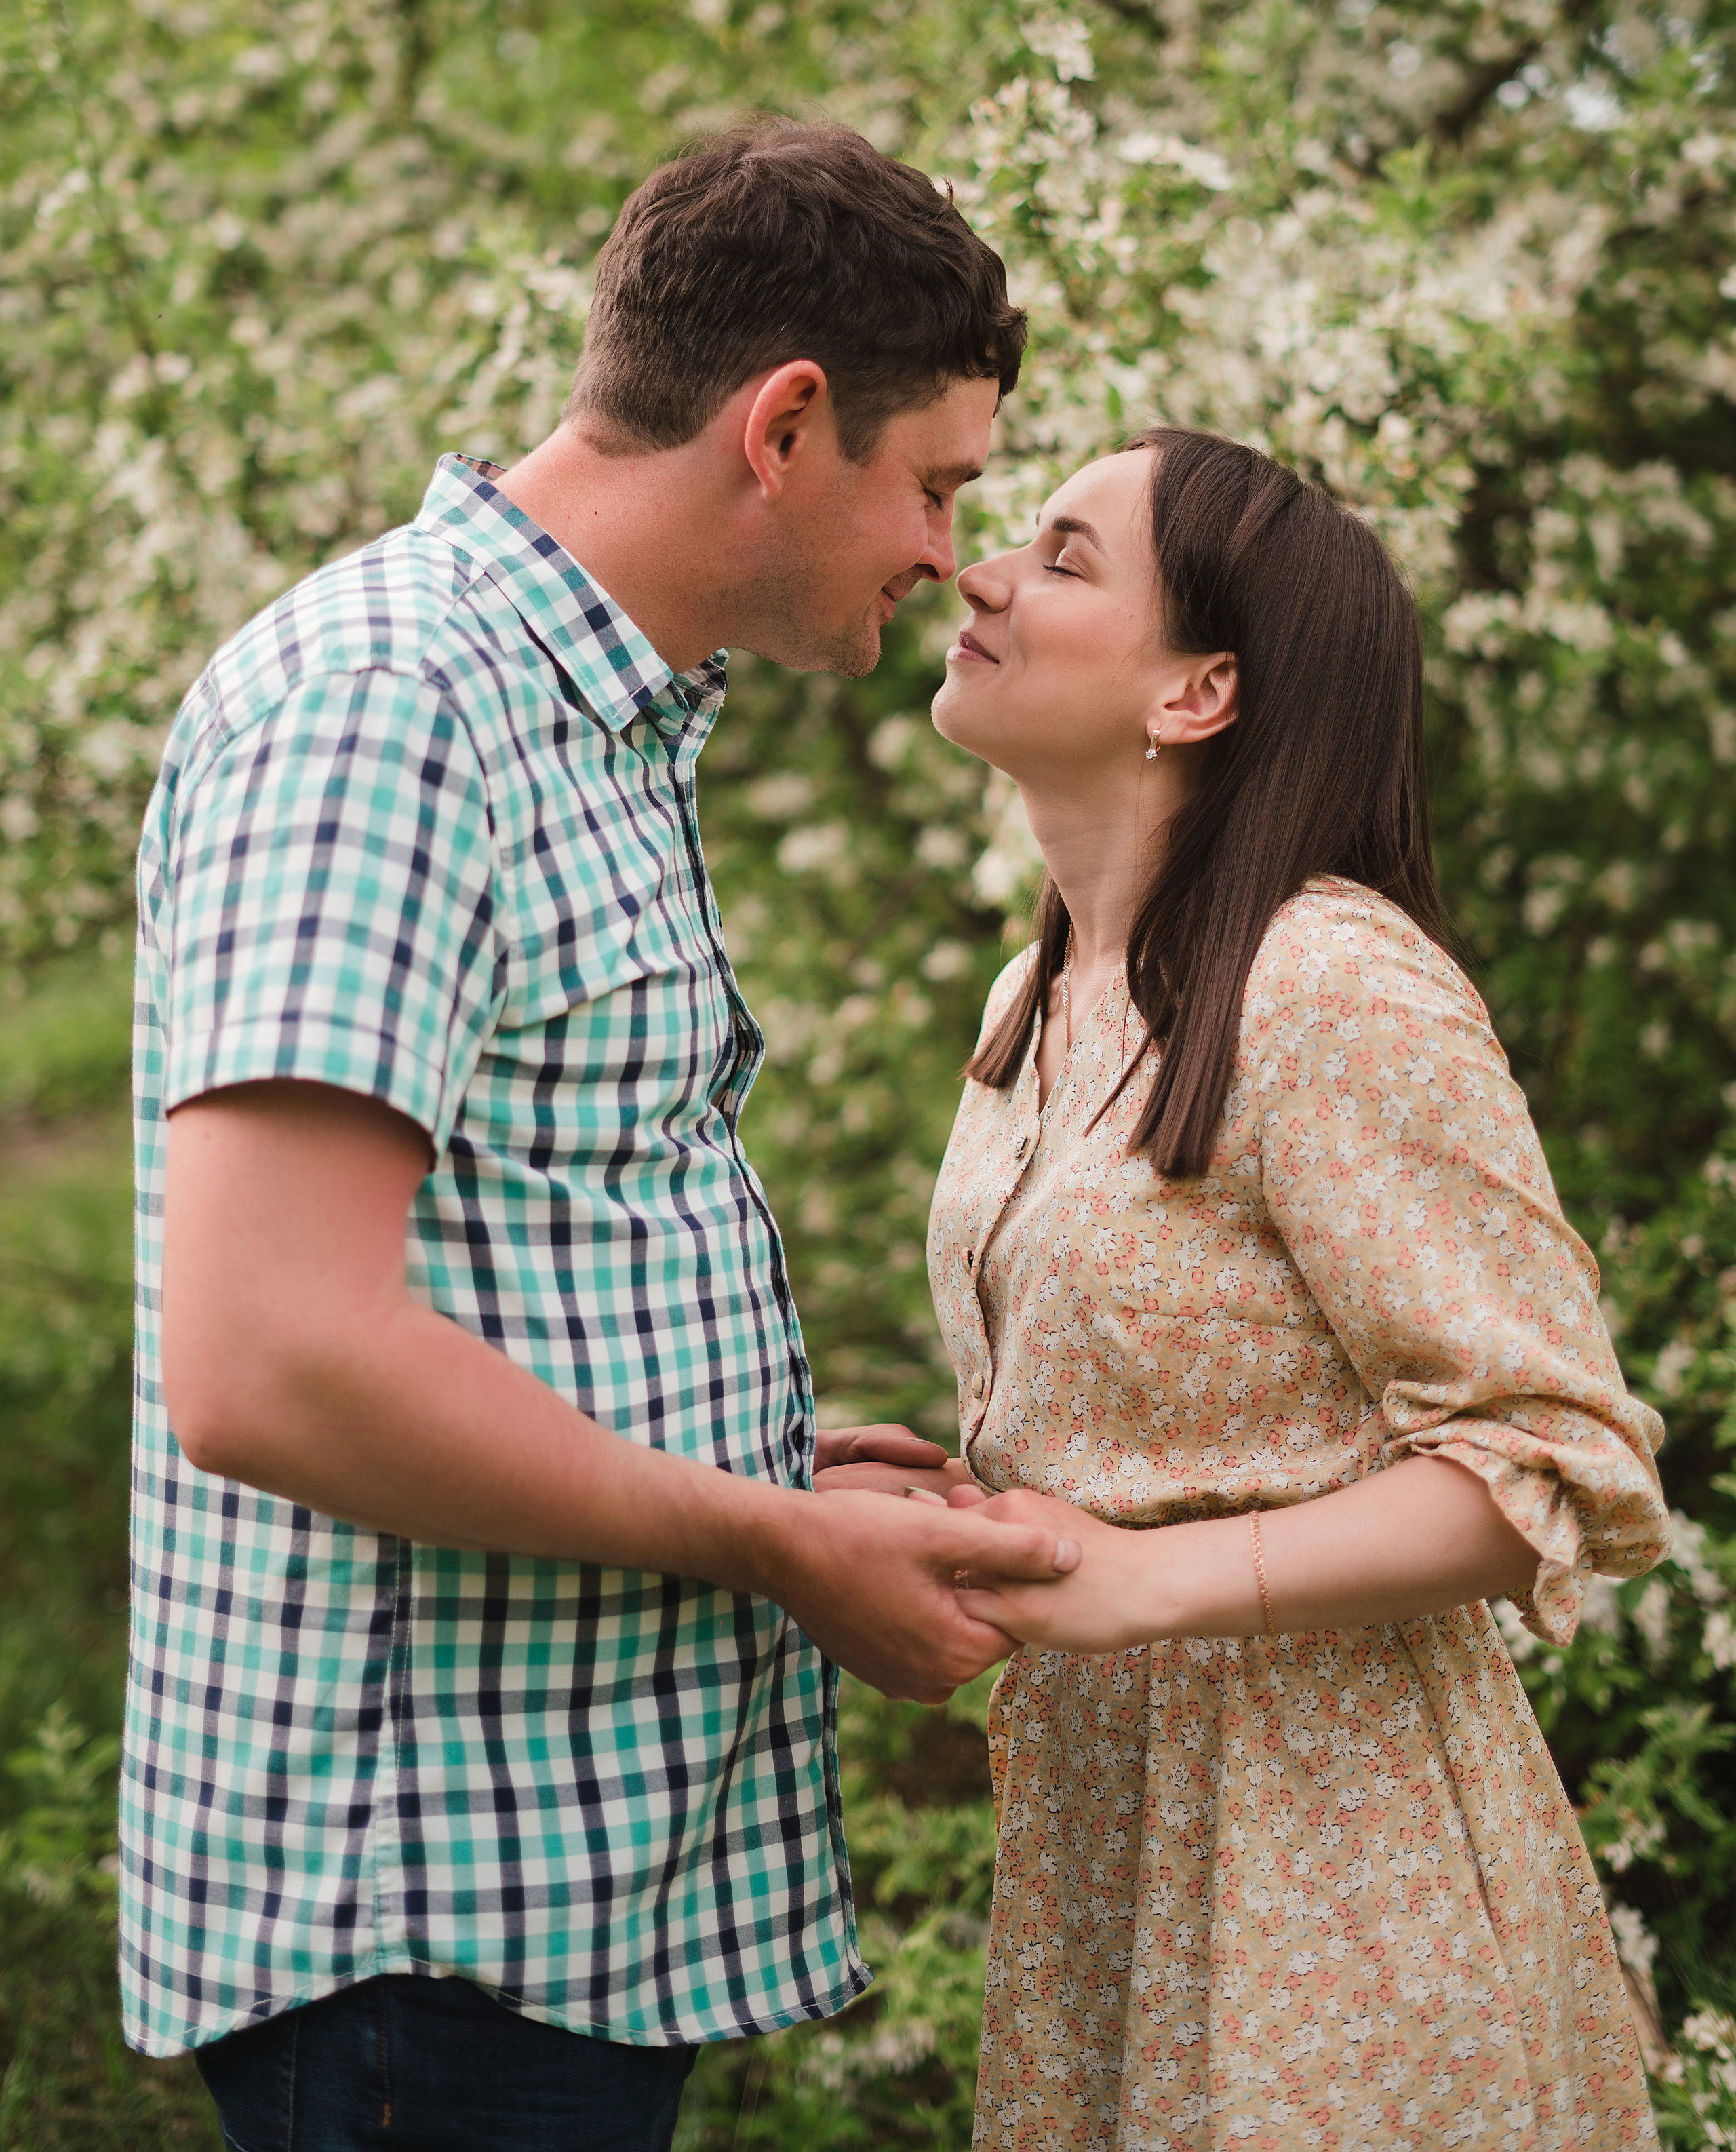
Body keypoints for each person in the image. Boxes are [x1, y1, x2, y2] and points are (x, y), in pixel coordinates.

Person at [121, 120, 1085, 2152]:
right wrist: (775, 1537)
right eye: (936, 484)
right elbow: (269, 1357)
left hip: (539, 1910)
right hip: (420, 1920)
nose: (949, 555)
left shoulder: (591, 713)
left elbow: (490, 1246)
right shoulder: (392, 703)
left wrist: (749, 1447)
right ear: (785, 421)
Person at [918, 428, 1671, 2150]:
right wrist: (959, 1497)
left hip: (1328, 1868)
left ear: (1197, 692)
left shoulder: (1325, 984)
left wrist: (1140, 1579)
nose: (981, 572)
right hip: (1102, 1849)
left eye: (1062, 556)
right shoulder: (1041, 988)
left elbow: (1546, 1460)